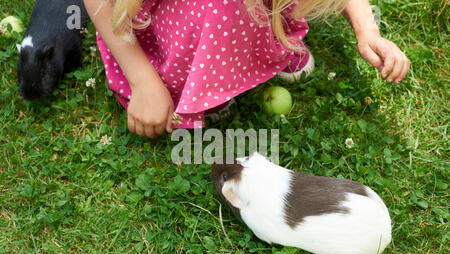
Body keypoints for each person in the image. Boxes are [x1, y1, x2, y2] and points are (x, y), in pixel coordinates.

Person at [84, 0, 410, 138]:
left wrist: (367, 30)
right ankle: (199, 82)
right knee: (217, 8)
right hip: (175, 16)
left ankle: (267, 46)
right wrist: (143, 81)